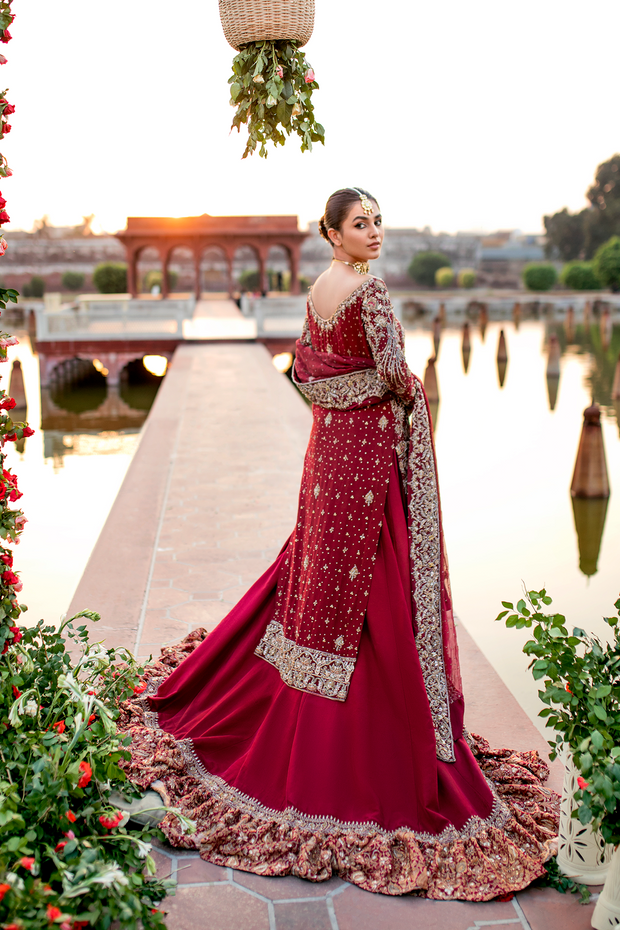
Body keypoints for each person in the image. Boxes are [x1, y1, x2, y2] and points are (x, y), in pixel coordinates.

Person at [122, 188, 559, 899]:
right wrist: (405, 396)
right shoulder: (370, 293)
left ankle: (312, 695)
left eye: (379, 221)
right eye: (361, 224)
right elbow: (392, 373)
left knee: (322, 574)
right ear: (333, 233)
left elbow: (306, 369)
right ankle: (386, 735)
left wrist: (351, 392)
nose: (375, 233)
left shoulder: (319, 290)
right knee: (377, 584)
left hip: (329, 453)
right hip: (367, 452)